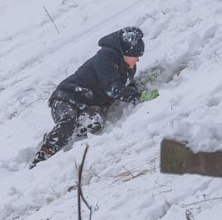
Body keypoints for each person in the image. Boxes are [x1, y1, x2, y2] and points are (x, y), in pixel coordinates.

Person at [31, 27, 153, 167]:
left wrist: (138, 86)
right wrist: (139, 97)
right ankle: (44, 154)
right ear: (126, 52)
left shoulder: (127, 67)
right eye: (135, 55)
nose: (138, 59)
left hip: (88, 105)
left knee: (94, 121)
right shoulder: (106, 58)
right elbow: (113, 88)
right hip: (66, 97)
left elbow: (123, 86)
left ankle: (65, 137)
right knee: (68, 121)